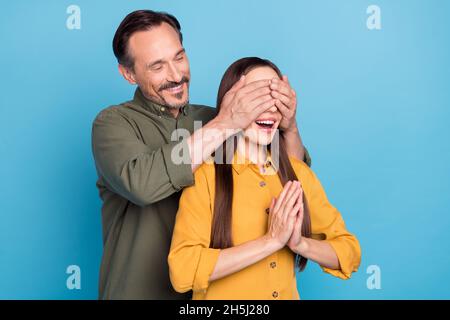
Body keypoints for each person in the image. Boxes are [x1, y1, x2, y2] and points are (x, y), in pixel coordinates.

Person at [92, 10, 310, 299]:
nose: (175, 75)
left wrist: (290, 127)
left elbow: (289, 179)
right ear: (128, 73)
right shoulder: (113, 123)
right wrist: (225, 124)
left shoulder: (215, 118)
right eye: (157, 66)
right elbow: (142, 185)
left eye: (179, 57)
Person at [168, 57, 361, 300]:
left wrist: (299, 243)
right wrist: (270, 241)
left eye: (276, 97)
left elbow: (349, 252)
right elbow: (182, 270)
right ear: (231, 103)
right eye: (257, 97)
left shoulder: (297, 173)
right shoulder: (204, 176)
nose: (270, 108)